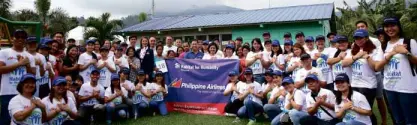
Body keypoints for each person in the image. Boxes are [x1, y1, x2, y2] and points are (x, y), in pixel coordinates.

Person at [375, 17, 417, 125]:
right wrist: (391, 54)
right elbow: (377, 67)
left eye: (393, 25)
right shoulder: (383, 46)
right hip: (390, 88)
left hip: (407, 89)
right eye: (387, 26)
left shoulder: (409, 41)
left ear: (398, 26)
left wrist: (406, 52)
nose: (390, 29)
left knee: (411, 121)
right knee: (398, 121)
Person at [342, 29, 382, 125]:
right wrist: (356, 56)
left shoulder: (374, 51)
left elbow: (376, 68)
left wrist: (367, 57)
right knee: (356, 110)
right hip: (354, 85)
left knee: (366, 111)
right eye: (356, 38)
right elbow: (344, 63)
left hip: (368, 86)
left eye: (361, 38)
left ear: (367, 38)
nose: (358, 40)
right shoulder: (352, 51)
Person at [0, 30, 36, 125]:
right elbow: (1, 69)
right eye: (17, 36)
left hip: (25, 93)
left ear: (26, 40)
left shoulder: (30, 57)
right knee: (5, 119)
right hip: (7, 91)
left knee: (24, 120)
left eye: (23, 37)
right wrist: (19, 64)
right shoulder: (4, 52)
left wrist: (27, 65)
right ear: (12, 38)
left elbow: (33, 75)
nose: (20, 39)